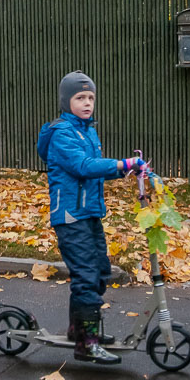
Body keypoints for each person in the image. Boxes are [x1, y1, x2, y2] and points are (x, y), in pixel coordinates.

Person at [37, 71, 144, 365]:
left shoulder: (87, 131)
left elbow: (94, 168)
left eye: (91, 98)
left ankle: (79, 330)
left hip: (90, 214)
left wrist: (128, 169)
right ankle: (87, 343)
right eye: (80, 98)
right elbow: (83, 166)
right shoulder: (62, 133)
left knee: (99, 272)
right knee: (85, 275)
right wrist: (121, 164)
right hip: (71, 217)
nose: (87, 103)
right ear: (66, 101)